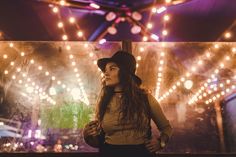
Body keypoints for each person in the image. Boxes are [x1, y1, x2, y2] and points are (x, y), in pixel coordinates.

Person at [83, 50, 173, 157]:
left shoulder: (145, 99)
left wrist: (160, 143)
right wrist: (87, 136)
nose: (106, 73)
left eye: (112, 69)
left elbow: (166, 128)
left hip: (140, 153)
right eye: (105, 70)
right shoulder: (104, 100)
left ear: (125, 72)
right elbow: (100, 142)